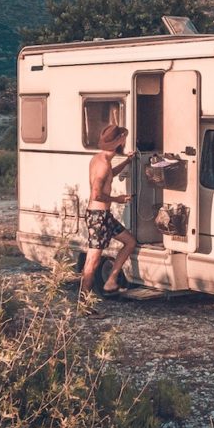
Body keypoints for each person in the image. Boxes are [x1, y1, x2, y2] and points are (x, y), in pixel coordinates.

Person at [80, 123, 138, 302]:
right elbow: (96, 194)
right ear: (118, 142)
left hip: (104, 217)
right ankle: (84, 304)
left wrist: (127, 162)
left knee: (130, 242)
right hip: (98, 217)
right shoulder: (103, 165)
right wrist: (117, 199)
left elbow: (110, 175)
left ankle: (111, 280)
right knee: (92, 263)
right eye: (123, 139)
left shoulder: (100, 159)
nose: (125, 141)